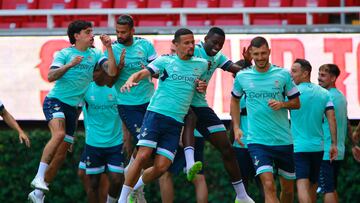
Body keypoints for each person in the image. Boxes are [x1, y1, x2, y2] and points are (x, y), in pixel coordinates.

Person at [117, 28, 213, 203]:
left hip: (176, 122)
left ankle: (136, 188)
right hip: (156, 115)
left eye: (192, 42)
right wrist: (131, 79)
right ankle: (122, 200)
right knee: (144, 155)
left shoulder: (201, 64)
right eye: (186, 43)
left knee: (162, 167)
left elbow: (201, 84)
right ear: (175, 45)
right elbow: (143, 73)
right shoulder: (165, 61)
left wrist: (202, 86)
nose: (191, 45)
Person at [28, 19, 120, 201]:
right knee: (59, 134)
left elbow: (111, 71)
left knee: (61, 155)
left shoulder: (94, 54)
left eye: (91, 32)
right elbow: (50, 75)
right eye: (87, 32)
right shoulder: (64, 53)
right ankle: (38, 177)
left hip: (72, 108)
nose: (91, 35)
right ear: (76, 36)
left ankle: (38, 194)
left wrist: (108, 47)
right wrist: (69, 65)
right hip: (55, 101)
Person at [180, 27, 254, 203]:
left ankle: (242, 196)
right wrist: (194, 82)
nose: (217, 46)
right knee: (190, 117)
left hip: (200, 104)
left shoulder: (217, 57)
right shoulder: (194, 50)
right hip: (179, 102)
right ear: (205, 38)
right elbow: (179, 64)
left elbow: (236, 69)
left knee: (227, 148)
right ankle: (189, 164)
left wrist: (247, 63)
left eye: (220, 44)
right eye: (214, 42)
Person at [231, 36, 300, 203]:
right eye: (256, 54)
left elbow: (297, 103)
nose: (260, 58)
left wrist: (282, 104)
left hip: (283, 140)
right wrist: (236, 127)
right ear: (251, 54)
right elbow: (234, 99)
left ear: (269, 51)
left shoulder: (283, 74)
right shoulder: (242, 76)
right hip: (257, 142)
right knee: (268, 185)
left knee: (288, 191)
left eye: (263, 53)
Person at [290, 59, 338, 203]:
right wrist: (334, 144)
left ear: (305, 73)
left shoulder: (292, 93)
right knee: (313, 185)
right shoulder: (324, 93)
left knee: (302, 186)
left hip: (299, 147)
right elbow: (332, 119)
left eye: (294, 71)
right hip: (318, 148)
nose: (291, 74)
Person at [317, 64, 357, 203]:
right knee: (332, 188)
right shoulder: (341, 97)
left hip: (326, 151)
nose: (319, 78)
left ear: (333, 78)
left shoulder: (325, 97)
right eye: (319, 74)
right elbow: (346, 122)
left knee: (327, 189)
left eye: (323, 75)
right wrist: (353, 144)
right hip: (338, 151)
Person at [81, 80, 125, 203]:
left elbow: (125, 111)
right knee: (93, 183)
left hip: (116, 142)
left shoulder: (118, 87)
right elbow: (76, 109)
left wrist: (127, 135)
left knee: (116, 180)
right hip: (93, 143)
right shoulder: (86, 87)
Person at [159, 130, 208, 203]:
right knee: (199, 178)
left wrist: (182, 131)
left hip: (179, 133)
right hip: (198, 134)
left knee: (164, 175)